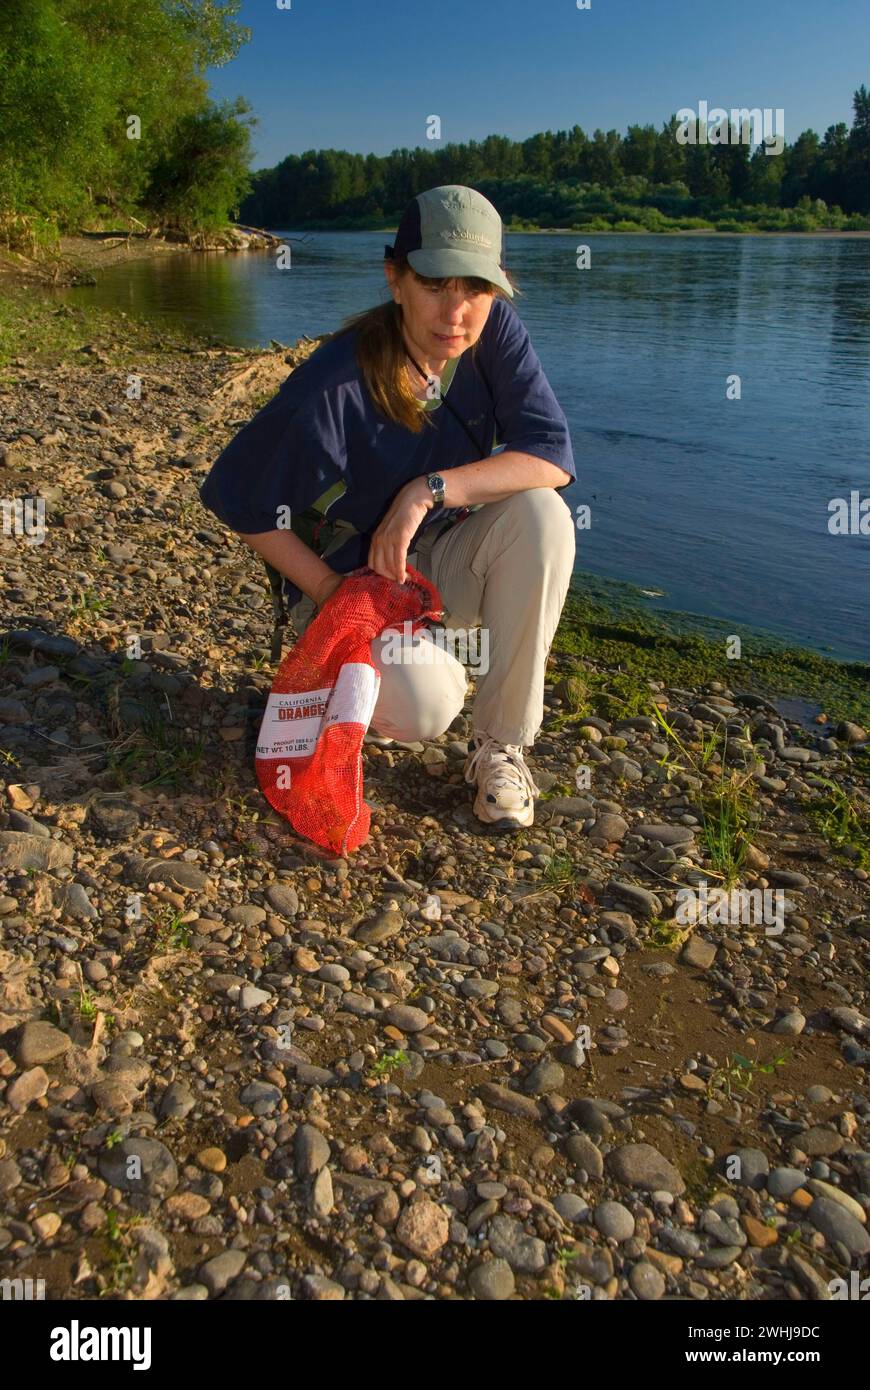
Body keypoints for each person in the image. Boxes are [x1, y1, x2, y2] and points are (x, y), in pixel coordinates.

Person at [200, 184, 577, 831]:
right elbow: (237, 497)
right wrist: (330, 590)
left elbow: (550, 458)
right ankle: (362, 688)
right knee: (430, 706)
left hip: (434, 556)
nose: (456, 312)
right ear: (395, 278)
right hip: (348, 581)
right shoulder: (335, 384)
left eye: (477, 288)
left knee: (541, 517)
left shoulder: (494, 336)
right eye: (435, 283)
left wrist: (428, 490)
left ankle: (502, 747)